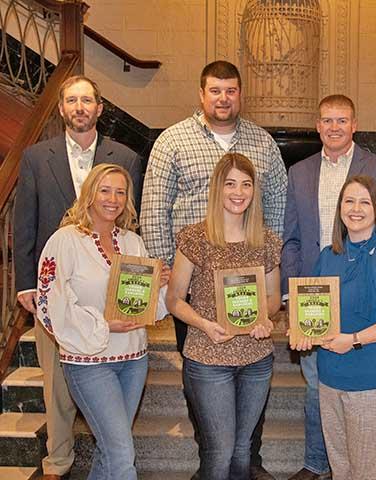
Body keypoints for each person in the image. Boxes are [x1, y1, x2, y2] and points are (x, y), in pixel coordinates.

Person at [140, 60, 287, 480]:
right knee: (205, 389)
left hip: (252, 282)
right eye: (215, 91)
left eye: (231, 90)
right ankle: (212, 452)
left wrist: (265, 258)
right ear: (202, 94)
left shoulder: (261, 142)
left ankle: (245, 459)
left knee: (240, 441)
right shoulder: (173, 140)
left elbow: (275, 201)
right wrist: (165, 267)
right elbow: (153, 206)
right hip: (192, 285)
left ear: (241, 94)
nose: (224, 98)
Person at [14, 75, 142, 480]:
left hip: (119, 329)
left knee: (114, 442)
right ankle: (58, 460)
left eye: (87, 100)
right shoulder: (37, 156)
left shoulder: (125, 157)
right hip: (58, 290)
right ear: (62, 108)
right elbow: (24, 221)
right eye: (72, 100)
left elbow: (128, 226)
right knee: (57, 389)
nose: (80, 106)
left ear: (100, 108)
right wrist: (26, 283)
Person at [281, 94, 376, 480]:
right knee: (319, 384)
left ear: (355, 124)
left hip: (365, 287)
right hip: (314, 290)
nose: (334, 127)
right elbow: (291, 238)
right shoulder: (299, 172)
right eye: (327, 120)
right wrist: (290, 294)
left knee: (349, 380)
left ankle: (353, 464)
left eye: (342, 120)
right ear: (317, 126)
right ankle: (318, 462)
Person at [35, 163, 169, 480]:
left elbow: (152, 309)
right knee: (122, 453)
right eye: (105, 190)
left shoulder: (133, 242)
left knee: (110, 450)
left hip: (134, 360)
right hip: (88, 363)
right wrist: (104, 324)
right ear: (90, 193)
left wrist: (160, 285)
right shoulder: (65, 240)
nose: (113, 198)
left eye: (120, 192)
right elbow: (48, 303)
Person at [293, 175, 376, 480]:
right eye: (349, 201)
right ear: (339, 208)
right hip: (331, 378)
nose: (355, 209)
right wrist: (301, 333)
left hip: (375, 380)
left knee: (368, 473)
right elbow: (311, 309)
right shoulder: (329, 256)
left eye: (365, 202)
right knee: (342, 470)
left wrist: (354, 339)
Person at [165, 153, 282, 480]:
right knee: (219, 449)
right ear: (218, 187)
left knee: (244, 448)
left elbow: (273, 299)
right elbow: (174, 299)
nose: (238, 191)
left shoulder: (267, 241)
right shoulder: (195, 238)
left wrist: (266, 318)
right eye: (230, 183)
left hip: (256, 359)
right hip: (207, 359)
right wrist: (203, 324)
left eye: (246, 184)